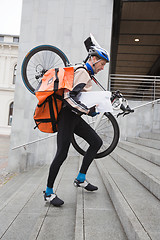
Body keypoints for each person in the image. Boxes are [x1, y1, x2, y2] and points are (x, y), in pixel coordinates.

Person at [43, 40, 110, 207]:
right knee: (62, 154)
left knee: (96, 142)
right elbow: (68, 98)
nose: (102, 68)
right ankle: (48, 193)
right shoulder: (83, 73)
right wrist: (88, 111)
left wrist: (91, 107)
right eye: (102, 64)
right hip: (67, 117)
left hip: (74, 117)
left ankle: (81, 179)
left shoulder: (86, 73)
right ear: (93, 59)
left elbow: (79, 99)